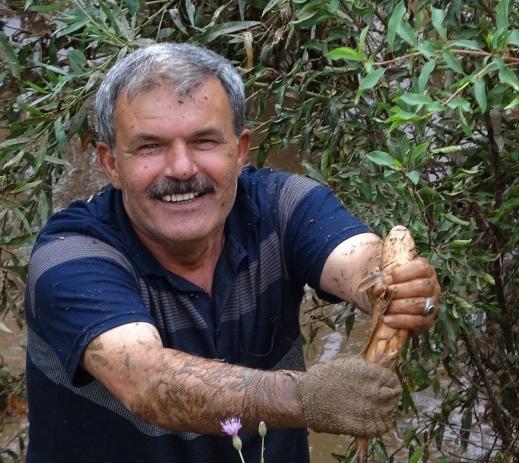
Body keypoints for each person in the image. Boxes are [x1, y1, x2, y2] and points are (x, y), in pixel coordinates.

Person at [24, 42, 441, 462]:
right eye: (150, 146)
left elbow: (357, 258)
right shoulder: (70, 254)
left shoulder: (281, 204)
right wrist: (307, 397)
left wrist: (393, 284)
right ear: (111, 163)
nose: (182, 168)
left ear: (240, 151)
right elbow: (146, 381)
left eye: (204, 140)